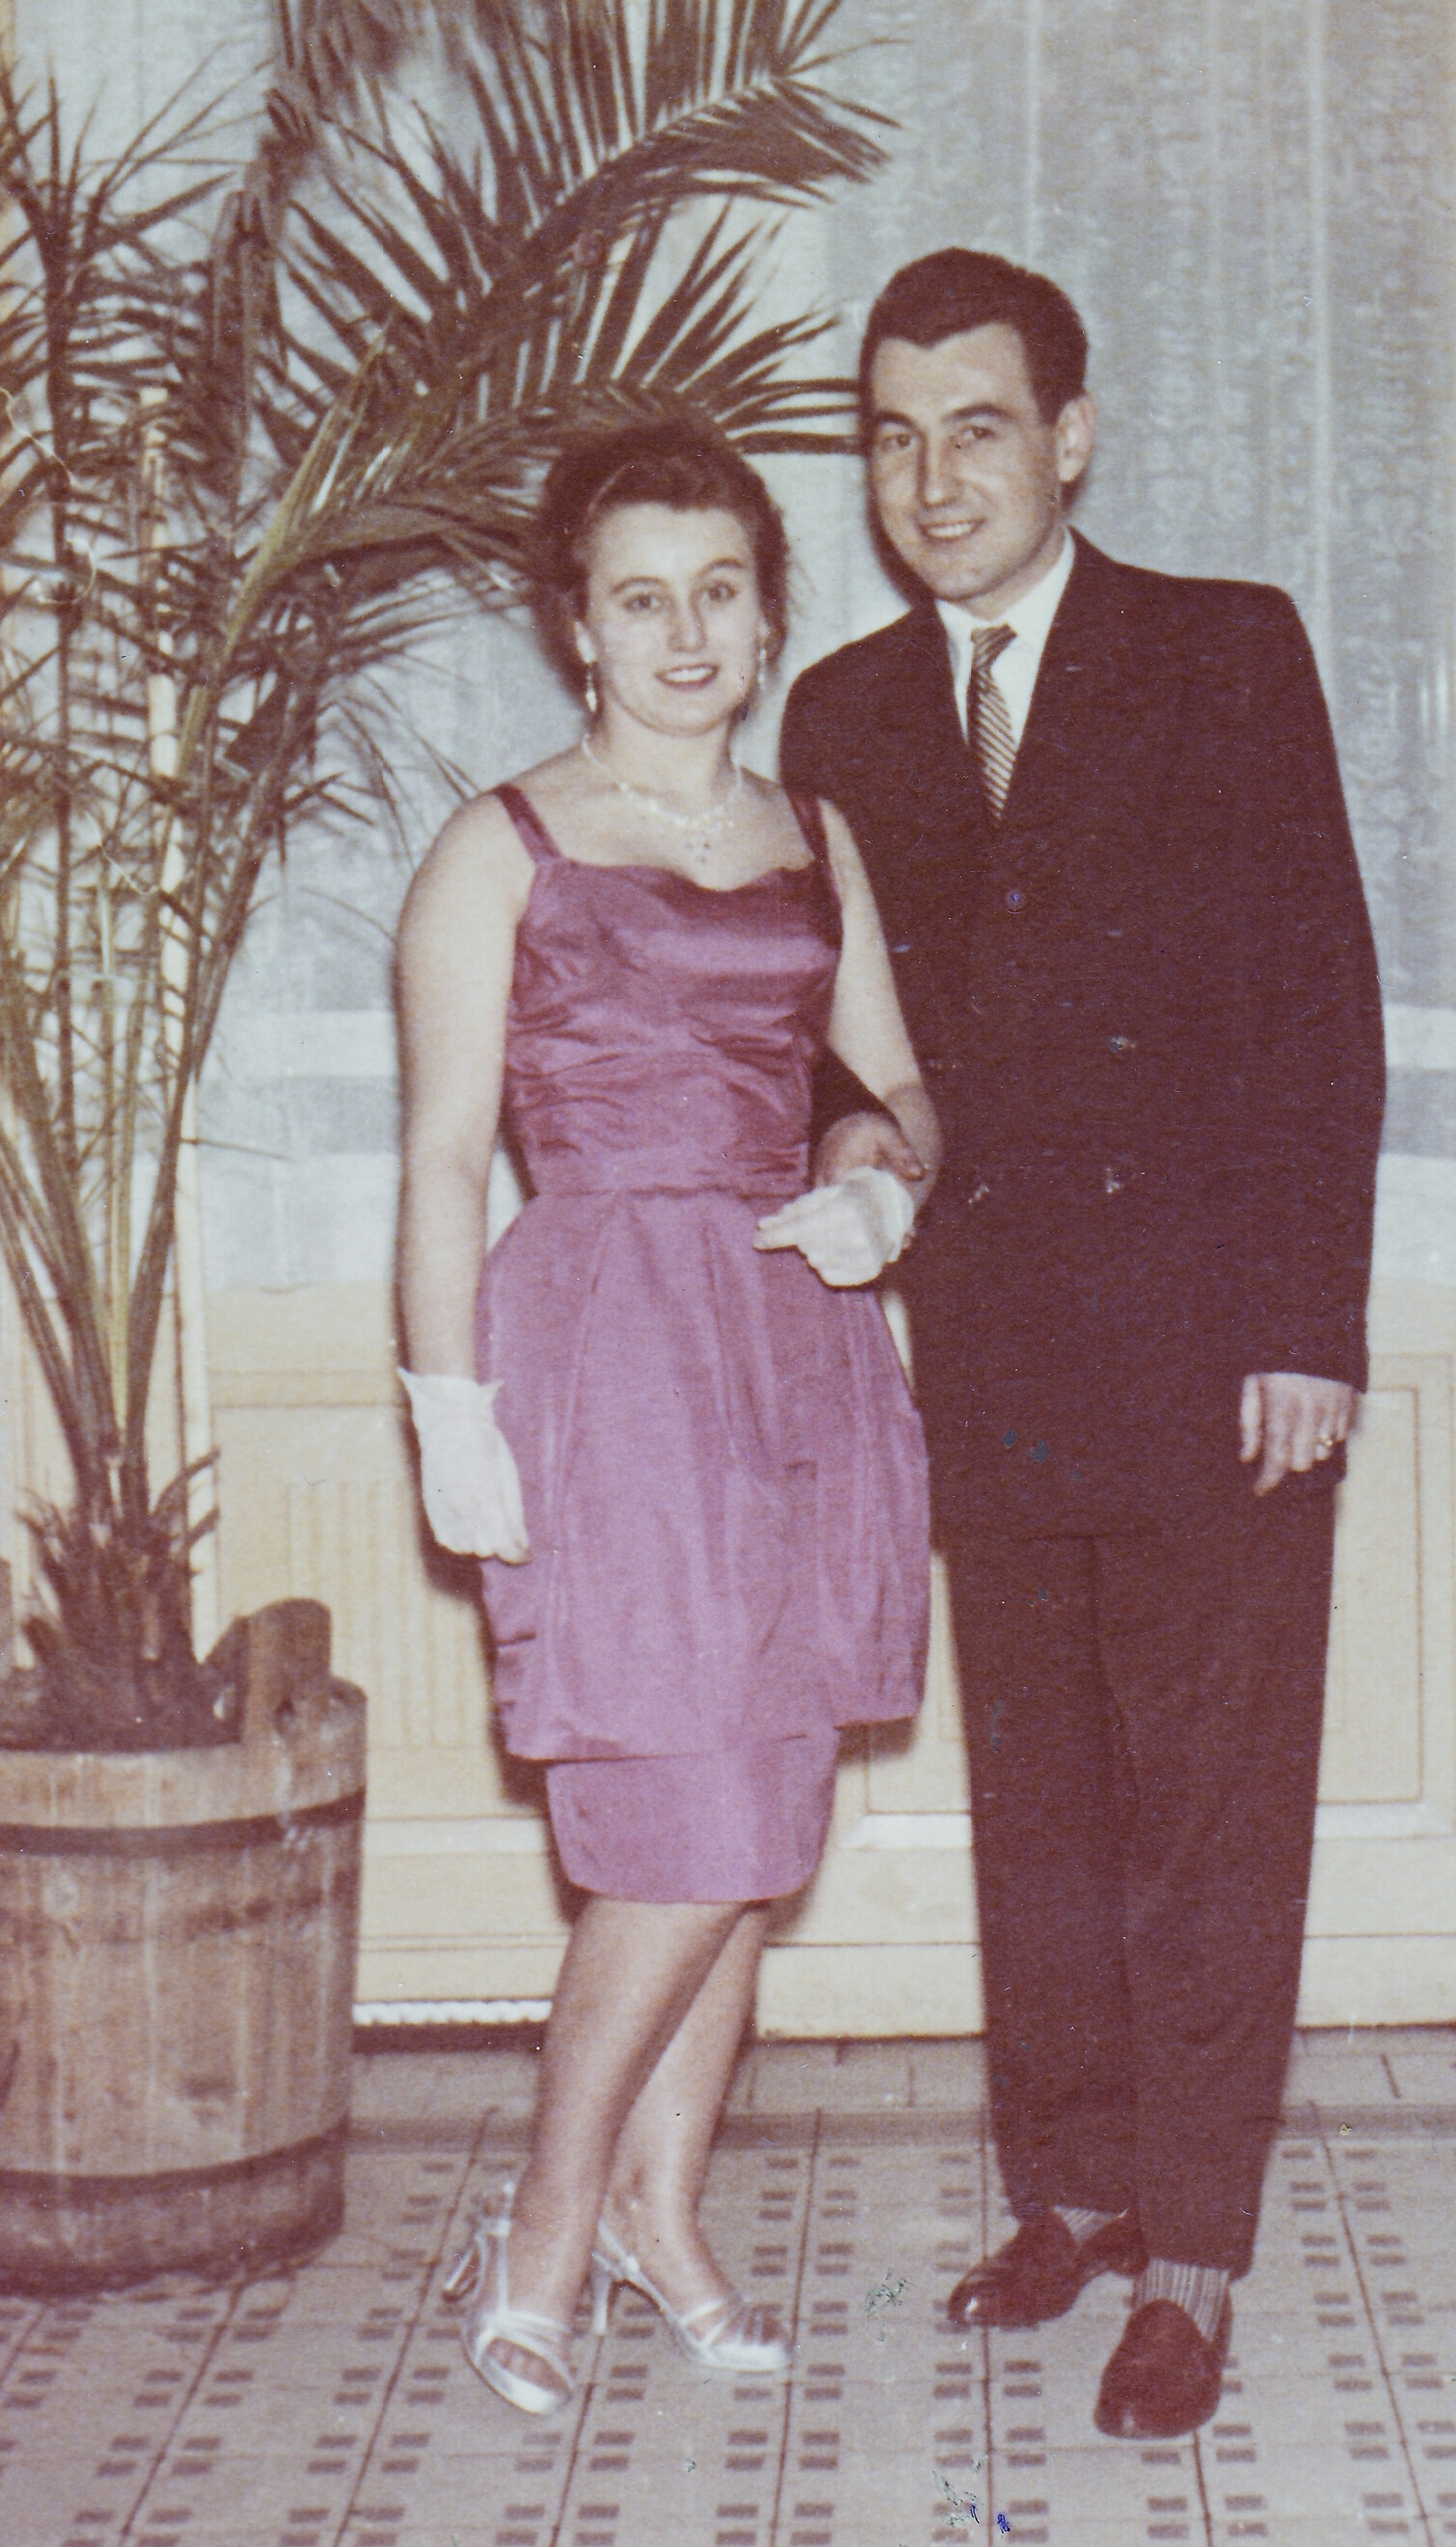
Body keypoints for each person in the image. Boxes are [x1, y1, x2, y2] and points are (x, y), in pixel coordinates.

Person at [781, 249, 1386, 2440]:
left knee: (1207, 1814)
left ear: (1068, 437)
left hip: (1216, 1348)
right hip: (988, 1348)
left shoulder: (1221, 651)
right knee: (1040, 1800)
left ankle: (1191, 2259)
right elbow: (830, 1036)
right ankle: (1070, 2192)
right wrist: (846, 1139)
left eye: (973, 428)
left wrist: (1307, 1325)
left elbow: (1318, 1003)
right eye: (889, 435)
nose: (928, 479)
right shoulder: (842, 713)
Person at [395, 419, 938, 2417]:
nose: (686, 631)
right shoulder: (501, 847)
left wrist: (879, 1178)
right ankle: (550, 2222)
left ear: (768, 612)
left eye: (720, 590)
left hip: (795, 1327)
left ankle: (663, 2211)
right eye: (642, 598)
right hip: (609, 1339)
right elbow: (443, 1157)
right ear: (578, 627)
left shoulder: (817, 836)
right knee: (685, 1814)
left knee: (761, 1802)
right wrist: (447, 1400)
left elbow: (893, 1086)